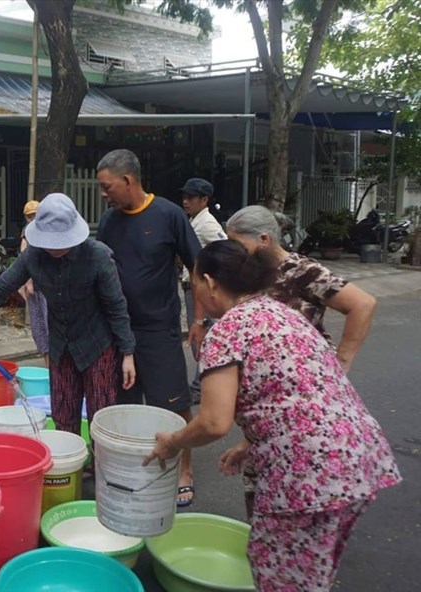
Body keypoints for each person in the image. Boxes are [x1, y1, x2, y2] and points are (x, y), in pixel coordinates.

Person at [143, 239, 401, 591]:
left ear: (212, 283)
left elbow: (214, 422)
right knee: (310, 574)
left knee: (280, 575)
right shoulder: (282, 313)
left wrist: (171, 443)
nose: (195, 292)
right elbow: (290, 395)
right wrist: (249, 443)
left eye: (194, 284)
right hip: (360, 460)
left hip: (308, 476)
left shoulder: (227, 331)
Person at [225, 204, 378, 518]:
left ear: (265, 239)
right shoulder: (254, 273)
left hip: (305, 395)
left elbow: (362, 304)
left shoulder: (300, 270)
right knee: (263, 485)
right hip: (272, 399)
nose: (236, 254)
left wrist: (340, 366)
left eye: (240, 246)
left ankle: (285, 547)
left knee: (284, 488)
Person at [0, 193, 137, 438]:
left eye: (61, 241)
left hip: (97, 344)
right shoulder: (33, 256)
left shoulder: (97, 256)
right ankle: (70, 468)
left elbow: (116, 306)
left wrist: (127, 353)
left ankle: (102, 472)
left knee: (100, 418)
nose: (55, 247)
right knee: (63, 416)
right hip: (60, 345)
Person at [95, 149, 205, 507]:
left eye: (106, 186)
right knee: (124, 401)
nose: (103, 194)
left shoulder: (169, 215)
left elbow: (198, 268)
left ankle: (184, 469)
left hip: (159, 329)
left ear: (128, 181)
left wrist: (198, 320)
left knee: (172, 402)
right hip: (117, 332)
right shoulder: (109, 221)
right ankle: (132, 464)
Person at [179, 178, 227, 401]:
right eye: (185, 196)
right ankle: (203, 384)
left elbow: (226, 251)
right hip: (192, 286)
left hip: (201, 289)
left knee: (199, 334)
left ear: (204, 200)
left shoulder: (207, 223)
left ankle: (200, 387)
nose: (186, 201)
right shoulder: (194, 220)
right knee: (198, 335)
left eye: (191, 197)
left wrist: (212, 280)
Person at [18, 200, 49, 366]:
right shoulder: (27, 233)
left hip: (49, 288)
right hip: (34, 287)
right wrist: (27, 280)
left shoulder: (50, 231)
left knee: (52, 330)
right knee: (40, 332)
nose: (33, 219)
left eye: (35, 215)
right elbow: (24, 254)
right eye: (29, 217)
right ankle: (49, 371)